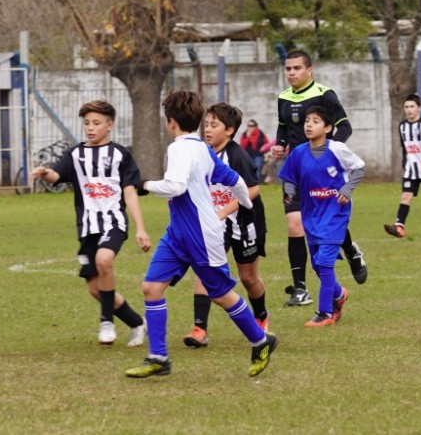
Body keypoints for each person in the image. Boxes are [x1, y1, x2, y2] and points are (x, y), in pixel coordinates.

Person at [125, 89, 277, 379]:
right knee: (151, 287)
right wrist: (245, 203)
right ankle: (158, 357)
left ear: (170, 122)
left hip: (201, 235)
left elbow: (176, 186)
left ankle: (261, 341)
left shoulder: (181, 149)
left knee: (220, 294)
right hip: (177, 233)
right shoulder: (202, 148)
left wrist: (145, 185)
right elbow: (234, 180)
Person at [31, 100, 150, 346]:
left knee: (104, 260)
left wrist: (140, 228)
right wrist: (45, 172)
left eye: (96, 123)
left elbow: (130, 193)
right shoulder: (76, 154)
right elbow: (57, 175)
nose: (90, 128)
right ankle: (137, 323)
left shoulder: (121, 155)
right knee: (96, 289)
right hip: (87, 228)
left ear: (110, 125)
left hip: (114, 222)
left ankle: (106, 322)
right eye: (86, 123)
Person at [271, 49, 367, 308]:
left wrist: (329, 152)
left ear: (309, 70)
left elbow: (345, 126)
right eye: (288, 68)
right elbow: (283, 127)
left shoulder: (325, 95)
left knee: (326, 222)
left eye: (297, 68)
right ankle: (300, 289)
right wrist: (280, 144)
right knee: (295, 225)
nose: (291, 73)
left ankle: (351, 252)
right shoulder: (283, 97)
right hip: (296, 173)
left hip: (324, 175)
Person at [183, 102, 269, 348]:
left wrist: (222, 211)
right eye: (206, 125)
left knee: (248, 278)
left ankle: (261, 316)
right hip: (216, 226)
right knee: (206, 270)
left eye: (214, 125)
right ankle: (199, 329)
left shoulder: (237, 155)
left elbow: (252, 190)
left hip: (245, 223)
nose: (208, 130)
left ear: (229, 130)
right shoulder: (201, 152)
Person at [278, 106, 364, 327]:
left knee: (325, 263)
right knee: (317, 265)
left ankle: (324, 313)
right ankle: (339, 294)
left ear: (327, 128)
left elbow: (359, 168)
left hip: (335, 214)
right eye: (307, 120)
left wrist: (347, 189)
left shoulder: (337, 149)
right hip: (312, 215)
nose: (309, 124)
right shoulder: (298, 152)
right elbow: (289, 177)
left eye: (315, 121)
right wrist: (289, 192)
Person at [383, 94, 421, 238]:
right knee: (405, 196)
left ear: (419, 108)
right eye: (406, 107)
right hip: (410, 171)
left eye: (412, 106)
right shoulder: (402, 126)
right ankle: (399, 227)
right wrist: (405, 163)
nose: (409, 109)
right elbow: (404, 147)